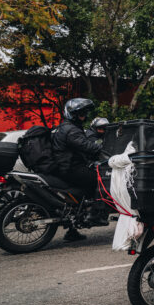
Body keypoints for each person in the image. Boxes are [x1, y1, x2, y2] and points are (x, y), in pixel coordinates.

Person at [51, 98, 106, 242]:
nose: (83, 116)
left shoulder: (66, 126)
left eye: (84, 113)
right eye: (80, 113)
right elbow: (85, 145)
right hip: (70, 167)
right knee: (99, 179)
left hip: (66, 165)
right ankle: (95, 214)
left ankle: (72, 230)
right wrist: (102, 148)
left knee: (80, 193)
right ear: (72, 114)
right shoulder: (71, 130)